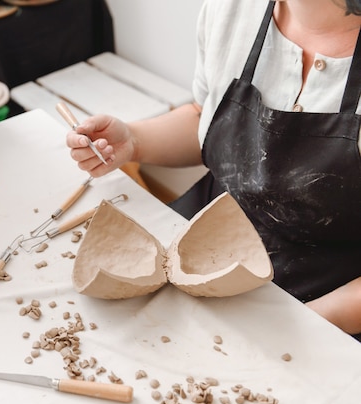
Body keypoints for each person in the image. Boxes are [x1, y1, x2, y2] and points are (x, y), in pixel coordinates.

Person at [65, 0, 361, 339]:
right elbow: (203, 117)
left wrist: (299, 326)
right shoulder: (232, 9)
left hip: (326, 297)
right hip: (203, 247)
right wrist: (134, 141)